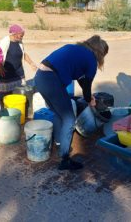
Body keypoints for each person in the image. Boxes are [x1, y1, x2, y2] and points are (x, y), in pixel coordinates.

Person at [34, 35, 108, 171]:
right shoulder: (91, 59)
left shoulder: (75, 49)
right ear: (100, 52)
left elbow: (81, 79)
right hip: (51, 81)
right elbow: (86, 87)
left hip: (39, 77)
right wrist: (90, 101)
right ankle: (64, 159)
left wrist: (88, 96)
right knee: (69, 120)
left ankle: (59, 143)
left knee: (58, 114)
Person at [0, 24, 37, 101]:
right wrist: (0, 67)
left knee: (19, 93)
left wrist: (31, 63)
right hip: (6, 73)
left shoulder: (19, 42)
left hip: (18, 72)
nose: (22, 37)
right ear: (14, 34)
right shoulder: (5, 41)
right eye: (21, 35)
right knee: (4, 95)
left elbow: (23, 53)